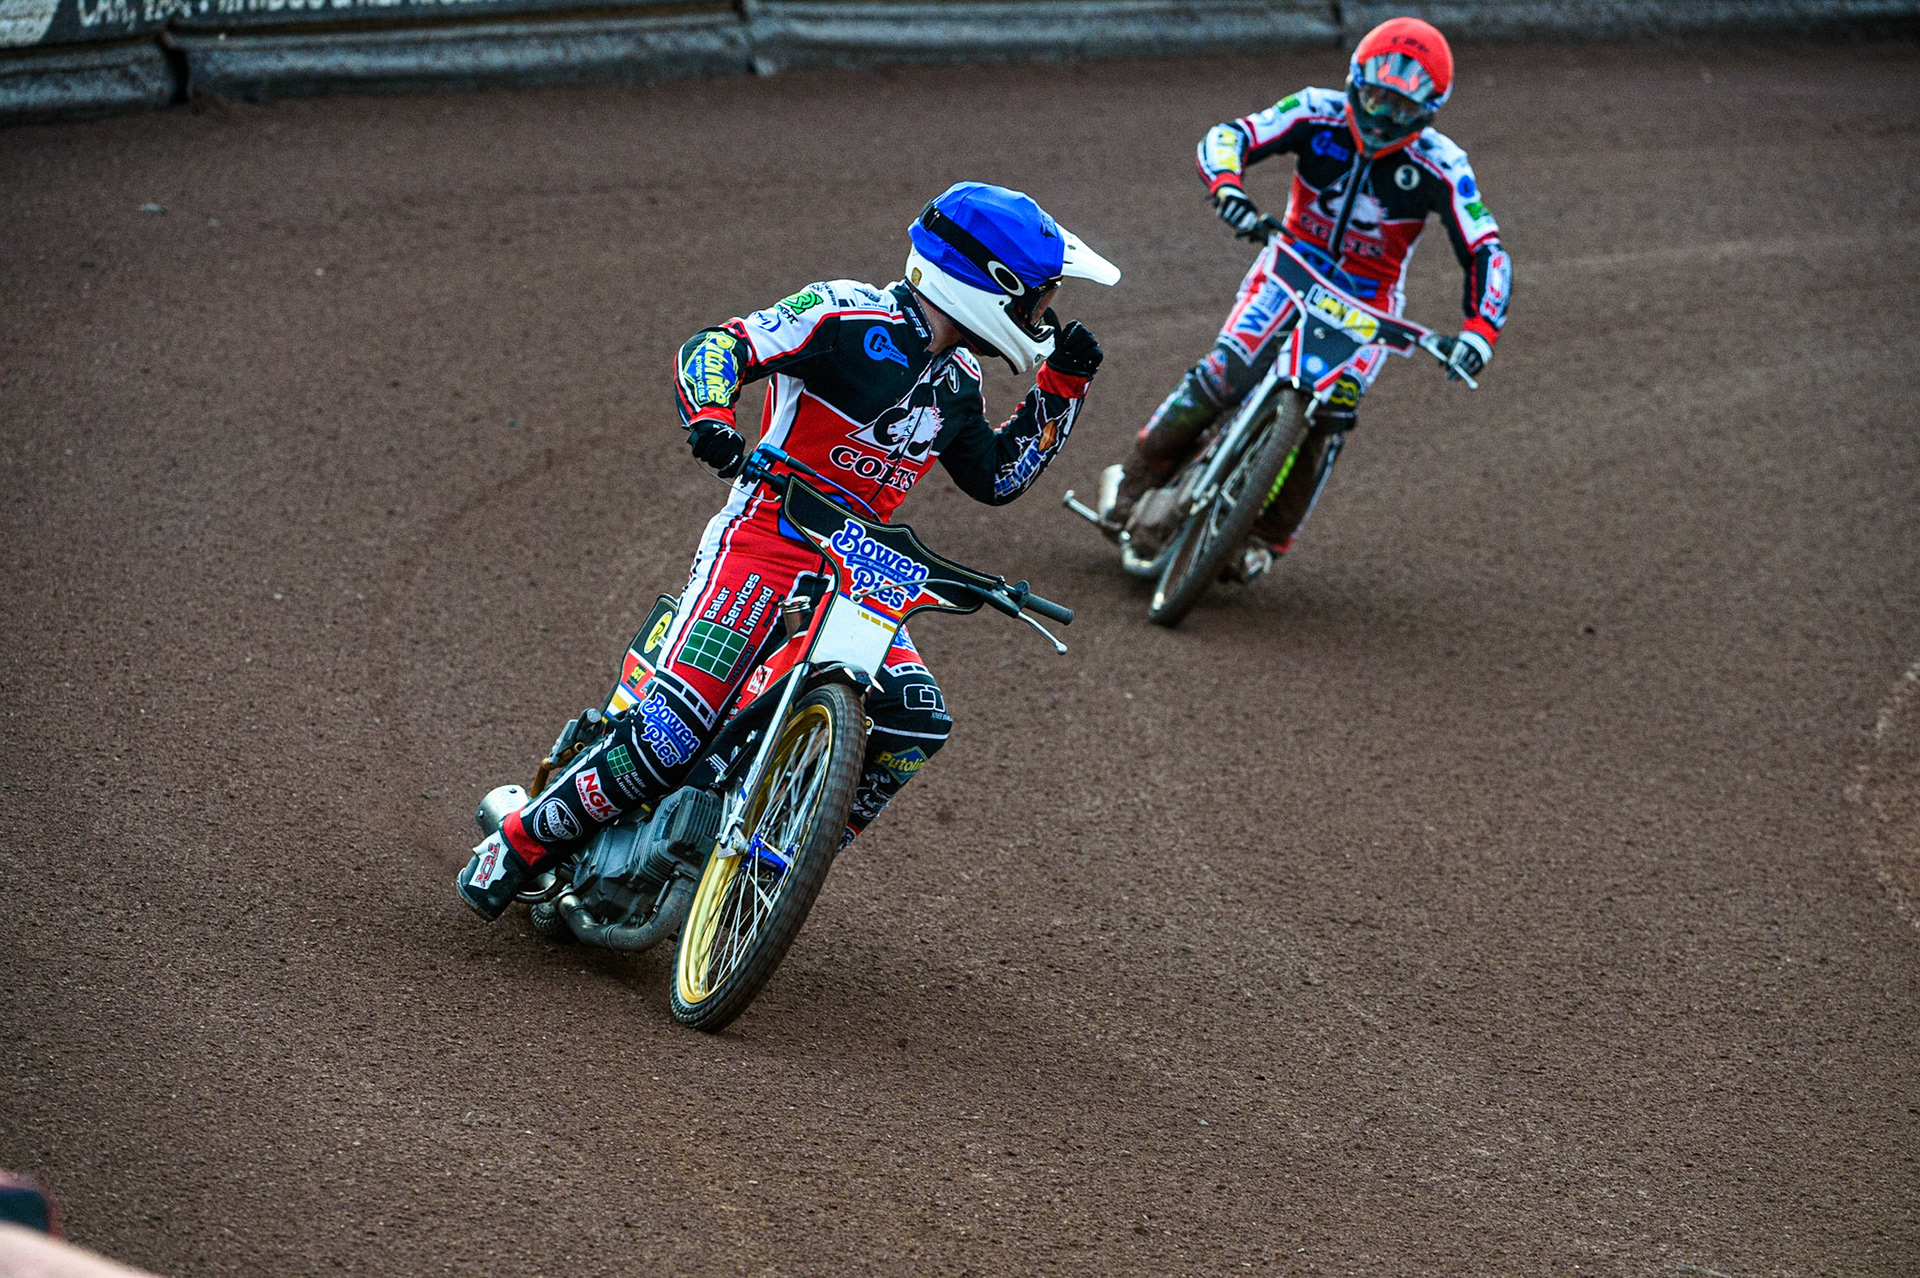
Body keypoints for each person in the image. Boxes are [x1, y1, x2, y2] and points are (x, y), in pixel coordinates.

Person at [456, 181, 1118, 919]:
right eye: (1036, 301)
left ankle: (764, 872)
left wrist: (1062, 388)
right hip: (769, 536)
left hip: (860, 571)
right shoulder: (845, 313)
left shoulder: (959, 381)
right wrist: (711, 417)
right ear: (986, 285)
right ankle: (519, 842)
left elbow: (996, 477)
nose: (1043, 318)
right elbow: (721, 346)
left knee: (916, 720)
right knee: (674, 732)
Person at [1105, 16, 1511, 580]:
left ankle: (1268, 539)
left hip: (1367, 305)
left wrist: (1479, 332)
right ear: (1354, 82)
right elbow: (1232, 136)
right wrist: (1228, 189)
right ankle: (1132, 486)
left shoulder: (1444, 166)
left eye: (1401, 110)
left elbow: (1486, 249)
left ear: (1428, 113)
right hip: (1288, 269)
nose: (1380, 118)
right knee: (1225, 374)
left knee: (1331, 416)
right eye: (1373, 99)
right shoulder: (1314, 109)